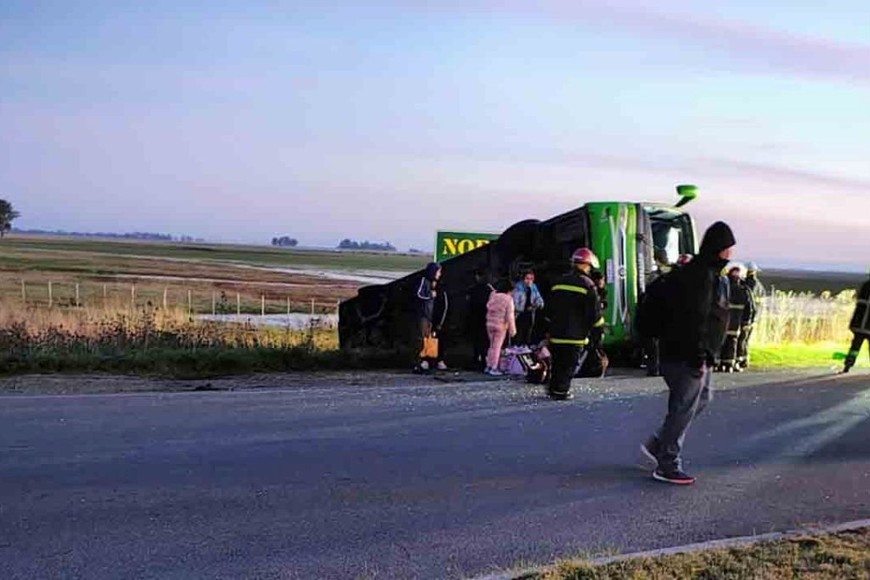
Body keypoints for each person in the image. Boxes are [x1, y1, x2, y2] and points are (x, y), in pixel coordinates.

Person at [641, 221, 736, 485]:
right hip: (687, 355)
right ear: (719, 249)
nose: (731, 253)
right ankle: (667, 463)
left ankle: (659, 443)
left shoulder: (708, 274)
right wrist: (699, 353)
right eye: (729, 248)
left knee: (702, 398)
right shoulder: (699, 277)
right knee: (682, 408)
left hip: (692, 353)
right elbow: (695, 319)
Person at [545, 247, 604, 400]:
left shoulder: (559, 282)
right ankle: (561, 392)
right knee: (569, 365)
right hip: (575, 335)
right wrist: (597, 334)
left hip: (557, 333)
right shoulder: (588, 285)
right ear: (586, 265)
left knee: (557, 363)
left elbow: (549, 309)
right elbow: (595, 314)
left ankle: (553, 388)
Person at [718, 264, 754, 373]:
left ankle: (719, 363)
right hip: (736, 322)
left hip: (722, 321)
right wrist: (747, 322)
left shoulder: (723, 288)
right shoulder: (744, 290)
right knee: (732, 342)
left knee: (721, 342)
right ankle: (730, 364)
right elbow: (749, 308)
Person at [485, 279, 517, 376]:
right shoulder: (508, 299)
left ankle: (489, 365)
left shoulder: (493, 295)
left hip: (489, 323)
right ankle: (494, 367)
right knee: (497, 347)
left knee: (491, 346)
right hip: (501, 325)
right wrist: (513, 330)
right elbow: (510, 316)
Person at [414, 262, 442, 371]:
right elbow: (419, 294)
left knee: (427, 340)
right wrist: (430, 295)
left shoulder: (432, 283)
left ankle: (426, 361)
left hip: (428, 315)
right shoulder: (423, 281)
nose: (439, 274)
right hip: (423, 315)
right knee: (421, 339)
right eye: (438, 272)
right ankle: (418, 362)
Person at [466, 269, 494, 371]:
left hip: (477, 317)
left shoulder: (473, 289)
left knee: (477, 340)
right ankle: (482, 359)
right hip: (484, 317)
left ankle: (477, 358)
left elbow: (469, 302)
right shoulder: (489, 289)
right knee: (483, 340)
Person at [842, 273, 870, 373]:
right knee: (855, 348)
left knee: (854, 347)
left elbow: (860, 304)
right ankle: (847, 365)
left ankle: (847, 366)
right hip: (864, 326)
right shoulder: (866, 286)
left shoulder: (866, 285)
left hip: (859, 325)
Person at [512, 270, 545, 345]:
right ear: (523, 279)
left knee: (528, 333)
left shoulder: (533, 287)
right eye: (527, 278)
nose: (529, 281)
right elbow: (515, 303)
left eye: (531, 279)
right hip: (519, 314)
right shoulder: (518, 288)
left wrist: (537, 305)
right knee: (519, 333)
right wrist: (523, 308)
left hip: (530, 314)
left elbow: (539, 299)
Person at [431, 277, 450, 371]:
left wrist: (440, 322)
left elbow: (445, 307)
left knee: (440, 340)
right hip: (431, 320)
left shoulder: (442, 293)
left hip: (439, 321)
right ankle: (429, 359)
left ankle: (439, 359)